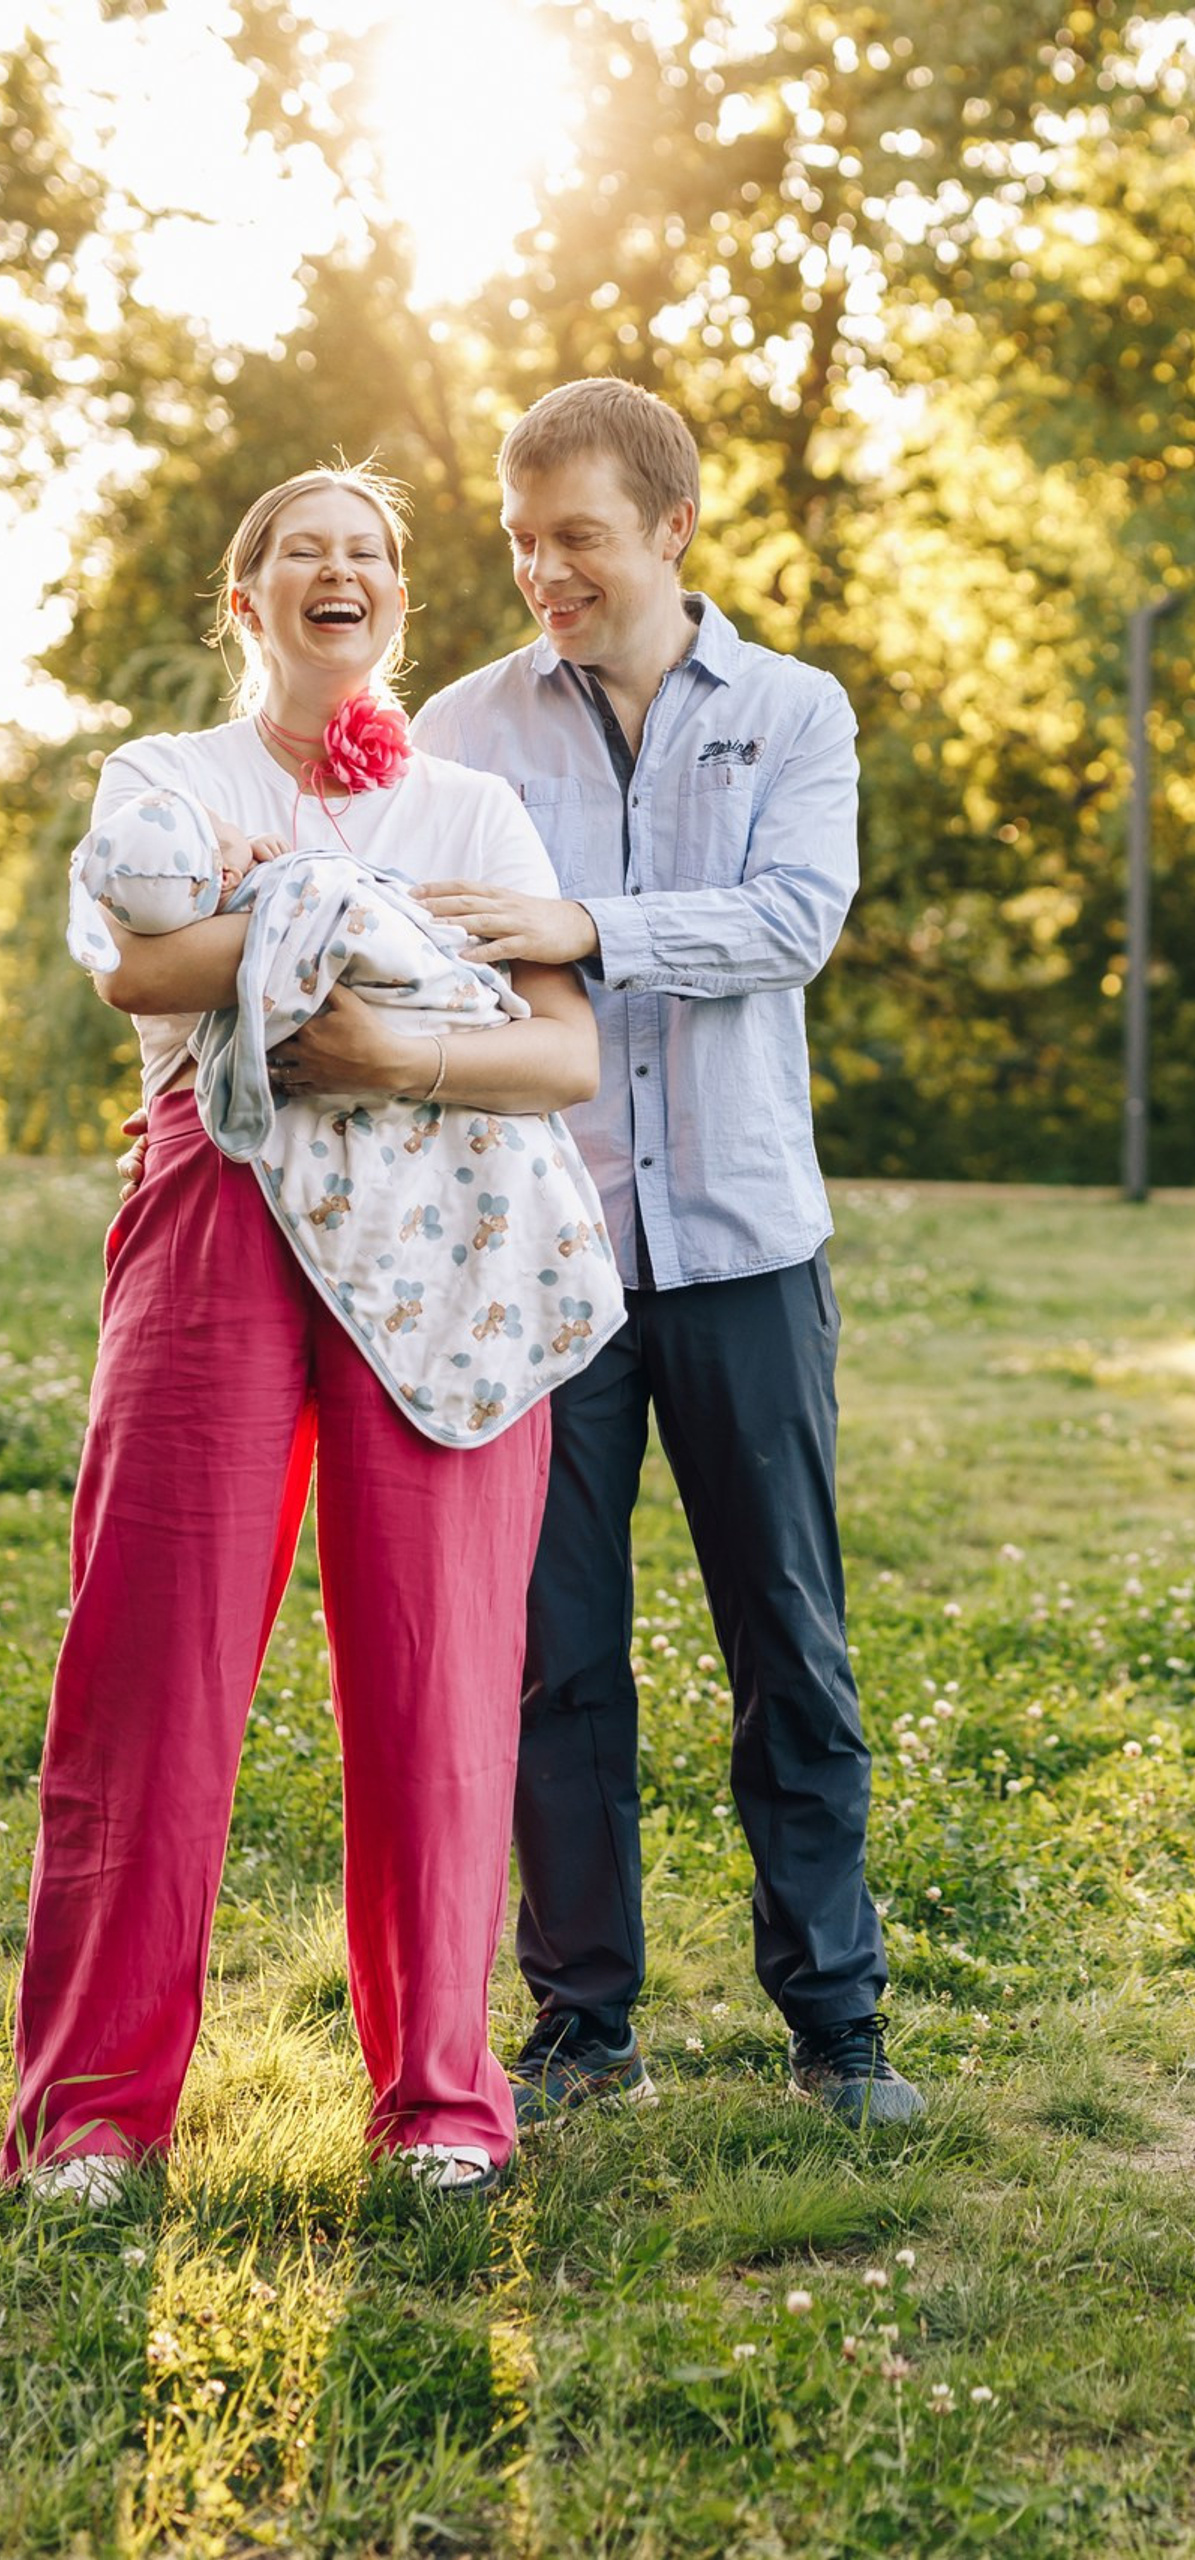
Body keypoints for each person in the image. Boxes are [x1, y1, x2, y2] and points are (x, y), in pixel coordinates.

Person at [9, 465, 602, 2202]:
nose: (339, 571)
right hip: (221, 1208)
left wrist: (329, 962)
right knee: (152, 1667)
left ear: (398, 601)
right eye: (302, 551)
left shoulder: (474, 806)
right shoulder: (167, 777)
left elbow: (560, 1054)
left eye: (370, 554)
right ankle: (92, 2114)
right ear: (247, 595)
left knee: (439, 1670)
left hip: (449, 1231)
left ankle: (442, 2104)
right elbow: (138, 969)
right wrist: (354, 920)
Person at [410, 378, 920, 2129]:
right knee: (556, 1654)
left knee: (791, 1638)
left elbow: (793, 921)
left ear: (674, 529)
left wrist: (581, 927)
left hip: (746, 1246)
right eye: (521, 540)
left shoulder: (793, 711)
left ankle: (837, 2022)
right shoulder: (461, 731)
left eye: (580, 538)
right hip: (538, 1259)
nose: (544, 571)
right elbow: (390, 942)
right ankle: (584, 2027)